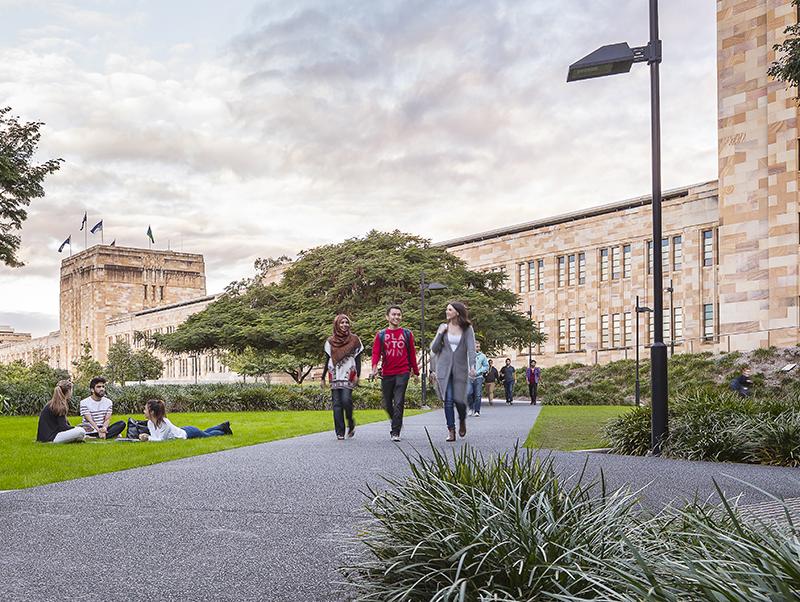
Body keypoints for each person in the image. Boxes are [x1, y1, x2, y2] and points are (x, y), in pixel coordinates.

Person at [371, 305, 419, 442]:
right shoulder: (381, 335)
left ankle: (395, 431)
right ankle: (396, 420)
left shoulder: (407, 334)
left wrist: (415, 372)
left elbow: (412, 354)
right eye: (394, 314)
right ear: (387, 317)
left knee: (398, 401)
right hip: (387, 373)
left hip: (402, 372)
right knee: (387, 403)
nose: (396, 317)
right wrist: (374, 367)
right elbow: (376, 353)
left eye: (399, 314)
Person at [431, 301, 477, 442]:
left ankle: (462, 420)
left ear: (457, 312)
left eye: (449, 309)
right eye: (446, 309)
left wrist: (473, 366)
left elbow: (471, 348)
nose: (447, 311)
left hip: (460, 369)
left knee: (460, 400)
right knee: (448, 401)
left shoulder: (467, 328)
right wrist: (440, 334)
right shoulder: (443, 327)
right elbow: (434, 349)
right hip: (444, 370)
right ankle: (451, 430)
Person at [321, 313, 363, 440]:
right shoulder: (330, 341)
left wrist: (358, 375)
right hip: (334, 373)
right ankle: (339, 431)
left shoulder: (355, 340)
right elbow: (327, 359)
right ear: (337, 325)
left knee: (346, 400)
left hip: (348, 373)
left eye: (346, 322)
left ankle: (350, 422)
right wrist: (322, 377)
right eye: (342, 323)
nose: (345, 325)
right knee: (337, 404)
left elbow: (358, 359)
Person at [139, 399, 232, 441]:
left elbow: (162, 440)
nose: (144, 411)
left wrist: (148, 438)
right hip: (184, 430)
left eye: (145, 409)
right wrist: (148, 437)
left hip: (188, 433)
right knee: (204, 432)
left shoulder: (164, 423)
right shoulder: (150, 423)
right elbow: (156, 437)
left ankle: (224, 431)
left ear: (152, 412)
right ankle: (222, 426)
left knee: (208, 435)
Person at [468, 341, 489, 417]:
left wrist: (477, 372)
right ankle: (470, 408)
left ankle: (477, 411)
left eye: (479, 346)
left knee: (478, 395)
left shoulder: (482, 356)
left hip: (478, 377)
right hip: (469, 377)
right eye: (477, 346)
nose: (478, 348)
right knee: (469, 393)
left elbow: (486, 366)